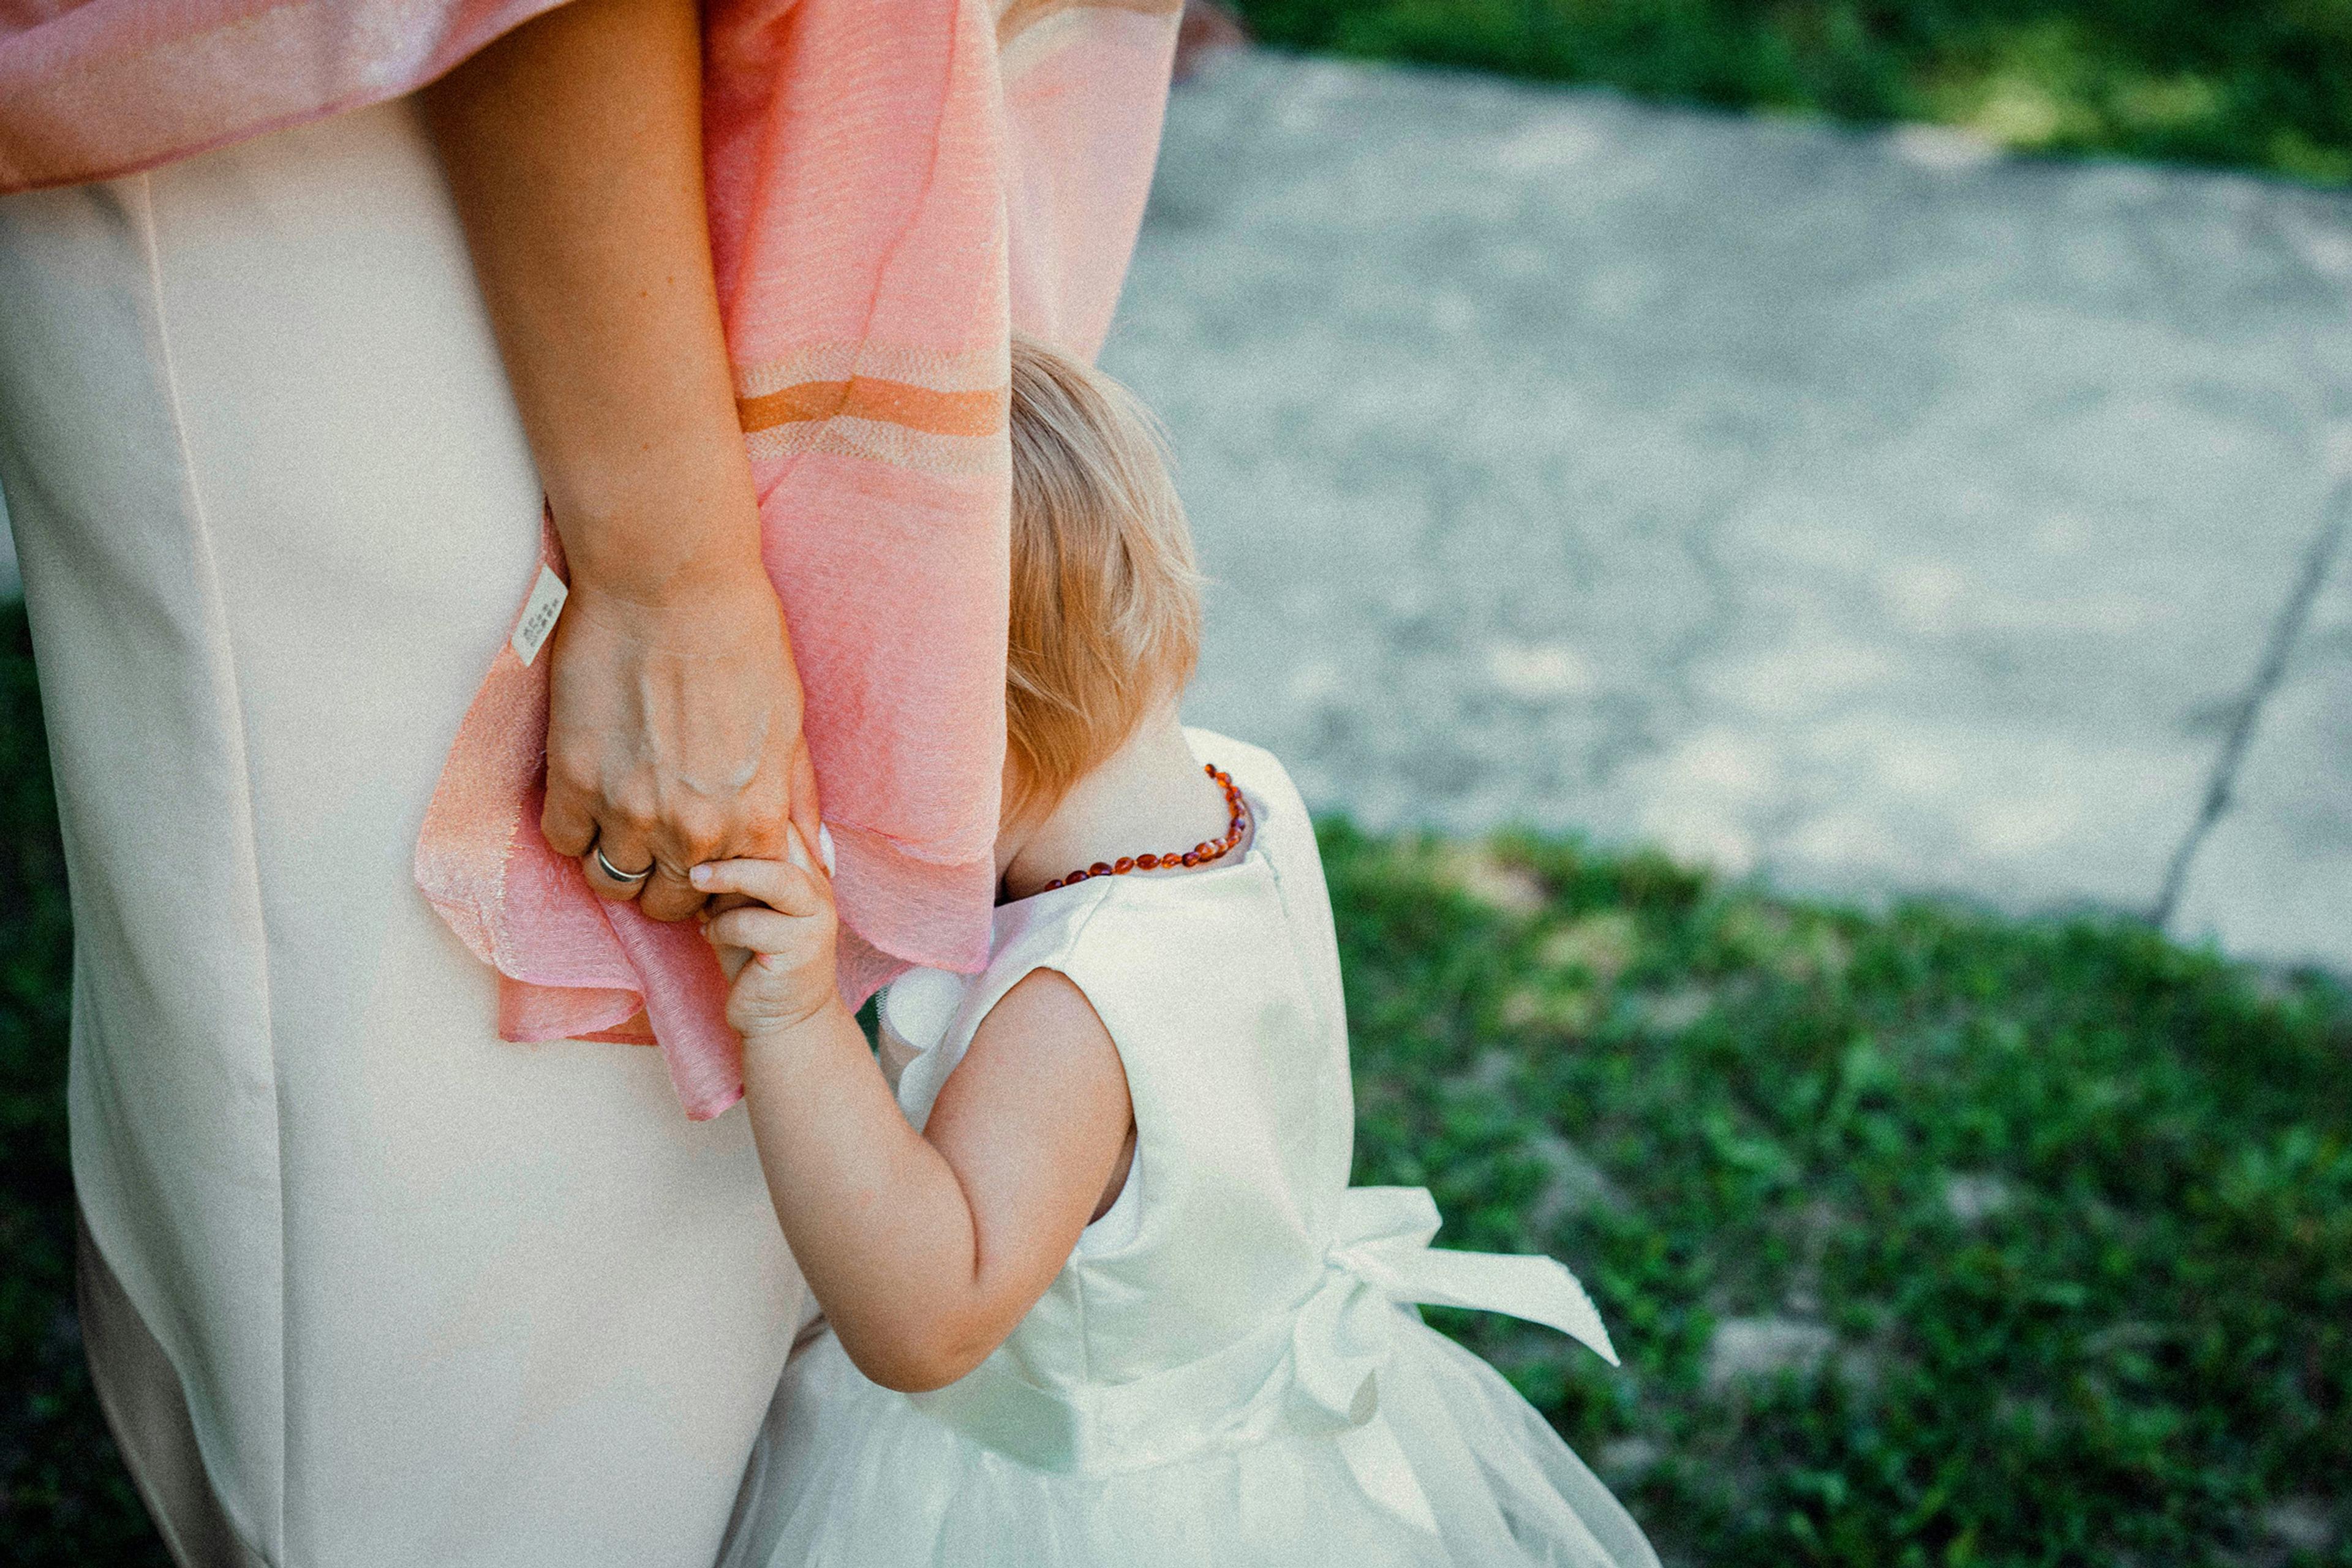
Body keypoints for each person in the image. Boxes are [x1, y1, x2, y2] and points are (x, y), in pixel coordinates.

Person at [0, 0, 1177, 1559]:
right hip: (414, 115)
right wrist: (667, 569)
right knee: (444, 1297)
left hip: (853, 102)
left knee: (637, 1277)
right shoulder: (1194, 873)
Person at [694, 337, 1664, 1567]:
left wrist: (794, 1021)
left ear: (950, 730)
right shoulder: (1247, 794)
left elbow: (926, 1321)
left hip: (1058, 1503)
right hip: (1263, 1447)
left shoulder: (1068, 1011)